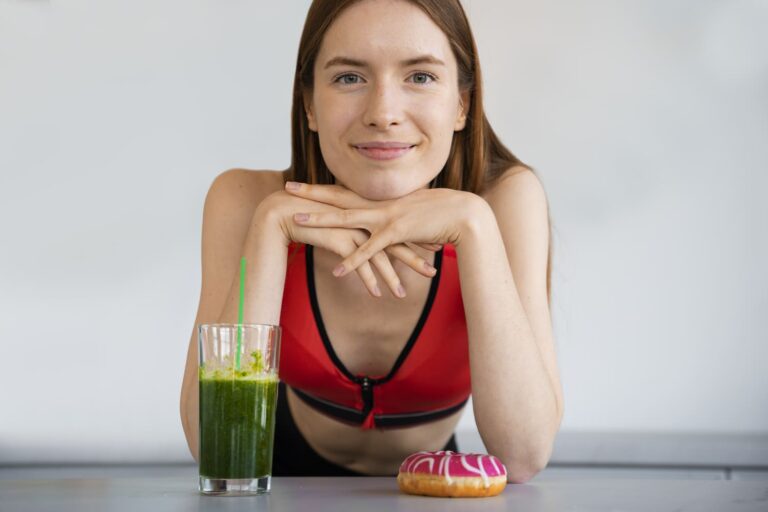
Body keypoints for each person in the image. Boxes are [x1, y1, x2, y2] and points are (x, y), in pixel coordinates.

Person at [180, 0, 564, 484]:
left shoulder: (504, 203)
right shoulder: (245, 201)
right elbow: (213, 446)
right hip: (275, 477)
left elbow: (524, 456)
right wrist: (270, 229)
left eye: (420, 76)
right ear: (309, 105)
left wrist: (475, 227)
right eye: (348, 78)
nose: (383, 113)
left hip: (428, 487)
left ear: (462, 104)